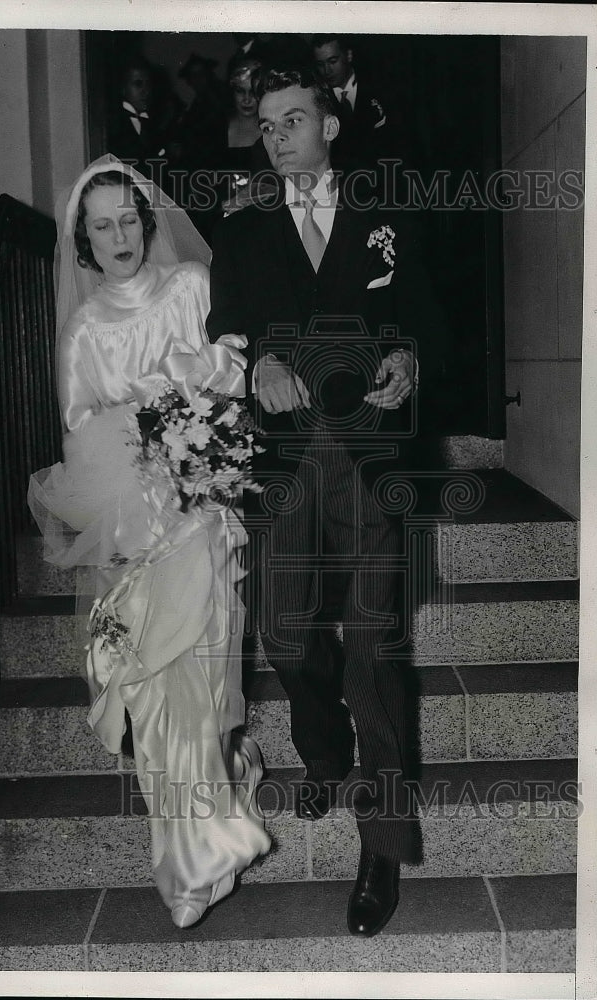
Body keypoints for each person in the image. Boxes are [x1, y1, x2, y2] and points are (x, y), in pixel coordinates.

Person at [206, 66, 446, 938]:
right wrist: (258, 362)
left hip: (372, 460)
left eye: (293, 119)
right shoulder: (241, 230)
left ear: (331, 126)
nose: (277, 137)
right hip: (286, 461)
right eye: (265, 126)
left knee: (374, 653)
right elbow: (226, 327)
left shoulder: (390, 213)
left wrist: (410, 360)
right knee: (283, 632)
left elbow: (426, 318)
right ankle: (323, 748)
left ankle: (381, 843)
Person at [28, 155, 270, 929]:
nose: (120, 235)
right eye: (102, 225)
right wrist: (141, 435)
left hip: (202, 515)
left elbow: (235, 366)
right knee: (157, 698)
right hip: (137, 530)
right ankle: (186, 858)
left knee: (199, 675)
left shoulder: (192, 286)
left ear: (147, 220)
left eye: (129, 218)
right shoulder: (83, 331)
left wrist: (190, 393)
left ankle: (212, 829)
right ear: (83, 242)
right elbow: (77, 433)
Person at [311, 34, 390, 172]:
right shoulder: (316, 97)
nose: (326, 71)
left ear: (348, 55)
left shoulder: (379, 87)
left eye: (333, 61)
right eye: (320, 64)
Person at [107, 60, 165, 178]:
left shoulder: (153, 124)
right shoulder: (112, 123)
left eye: (148, 84)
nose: (146, 91)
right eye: (138, 84)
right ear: (123, 88)